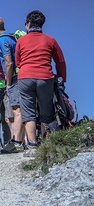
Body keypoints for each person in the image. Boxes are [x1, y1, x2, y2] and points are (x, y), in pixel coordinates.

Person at [16, 10, 66, 157]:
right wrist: (62, 78)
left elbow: (18, 62)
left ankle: (32, 146)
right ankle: (46, 145)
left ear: (29, 24)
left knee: (28, 112)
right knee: (46, 112)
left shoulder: (21, 41)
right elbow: (60, 62)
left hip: (25, 77)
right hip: (45, 77)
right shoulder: (50, 40)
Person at [0, 16, 24, 153]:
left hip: (14, 77)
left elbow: (8, 62)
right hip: (22, 75)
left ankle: (17, 143)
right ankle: (20, 141)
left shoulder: (2, 40)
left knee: (16, 110)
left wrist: (8, 82)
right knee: (19, 109)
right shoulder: (12, 37)